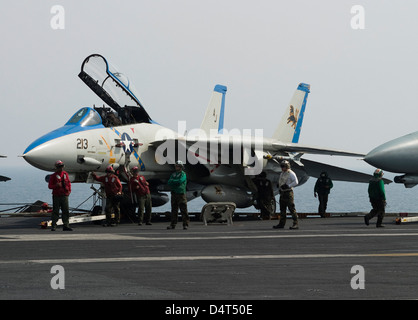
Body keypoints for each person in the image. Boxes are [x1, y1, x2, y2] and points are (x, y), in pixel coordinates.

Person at [273, 160, 299, 230]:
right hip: (282, 192)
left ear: (287, 166)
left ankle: (295, 223)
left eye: (283, 166)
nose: (282, 168)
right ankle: (281, 223)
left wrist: (288, 185)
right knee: (282, 209)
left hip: (288, 192)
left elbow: (296, 182)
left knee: (291, 209)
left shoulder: (291, 173)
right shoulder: (282, 173)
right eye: (281, 166)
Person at [48, 160, 72, 231]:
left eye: (61, 166)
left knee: (66, 211)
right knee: (56, 211)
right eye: (59, 167)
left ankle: (66, 225)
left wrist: (69, 191)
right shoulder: (53, 176)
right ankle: (54, 226)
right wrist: (56, 185)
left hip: (64, 195)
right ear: (56, 167)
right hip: (57, 196)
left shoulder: (65, 174)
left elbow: (69, 183)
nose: (61, 168)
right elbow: (50, 186)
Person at [167, 160, 189, 230]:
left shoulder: (183, 174)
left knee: (183, 210)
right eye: (176, 166)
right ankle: (173, 224)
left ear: (181, 167)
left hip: (181, 193)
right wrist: (174, 181)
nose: (176, 167)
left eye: (178, 166)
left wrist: (174, 181)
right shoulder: (173, 174)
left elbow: (180, 181)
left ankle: (185, 224)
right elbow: (169, 182)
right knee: (174, 210)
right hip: (174, 193)